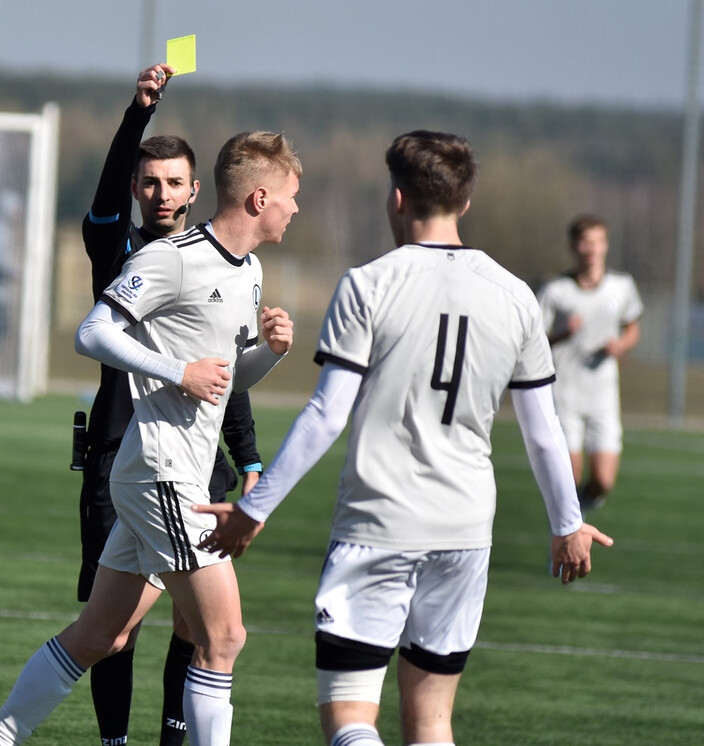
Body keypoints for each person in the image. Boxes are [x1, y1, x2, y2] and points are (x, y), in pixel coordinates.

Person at [195, 130, 614, 746]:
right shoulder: (516, 297)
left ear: (396, 198)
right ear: (464, 202)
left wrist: (254, 510)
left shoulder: (369, 285)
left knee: (349, 719)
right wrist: (566, 523)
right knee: (432, 722)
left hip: (378, 524)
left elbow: (326, 414)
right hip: (465, 531)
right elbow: (544, 430)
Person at [0, 130, 300, 746]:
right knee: (223, 637)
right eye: (290, 196)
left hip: (170, 471)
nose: (295, 209)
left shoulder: (248, 268)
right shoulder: (175, 257)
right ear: (258, 199)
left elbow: (224, 380)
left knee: (100, 635)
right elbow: (93, 333)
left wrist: (268, 354)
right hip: (163, 473)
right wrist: (176, 371)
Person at [77, 63, 265, 746]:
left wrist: (248, 460)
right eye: (149, 182)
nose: (161, 193)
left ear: (194, 191)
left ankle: (171, 740)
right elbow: (104, 199)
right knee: (113, 630)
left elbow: (225, 374)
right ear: (135, 187)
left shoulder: (217, 259)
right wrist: (138, 115)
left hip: (198, 463)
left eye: (175, 183)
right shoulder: (117, 247)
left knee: (198, 625)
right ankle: (112, 742)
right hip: (118, 461)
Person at [537, 215, 642, 513]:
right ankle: (565, 533)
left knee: (603, 481)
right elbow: (534, 341)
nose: (592, 249)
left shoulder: (621, 287)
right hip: (565, 395)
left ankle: (574, 516)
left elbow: (632, 329)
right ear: (573, 247)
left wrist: (620, 345)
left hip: (603, 397)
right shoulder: (556, 291)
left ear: (605, 245)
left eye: (598, 241)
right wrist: (562, 333)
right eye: (585, 242)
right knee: (569, 478)